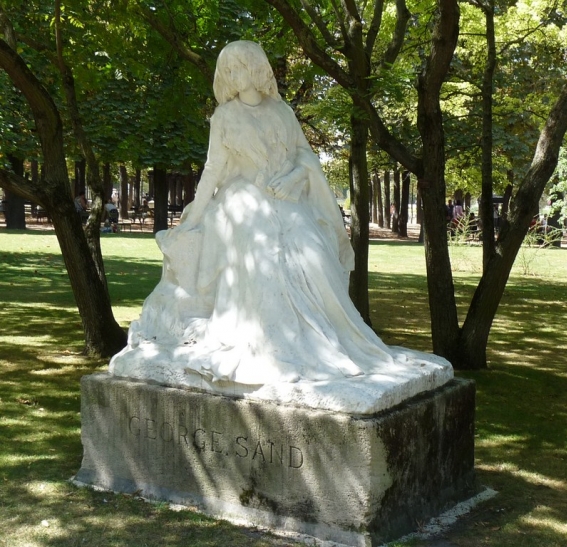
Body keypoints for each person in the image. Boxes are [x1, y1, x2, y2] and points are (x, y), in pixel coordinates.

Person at [110, 41, 451, 407]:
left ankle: (324, 340)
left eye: (242, 66)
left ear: (258, 69)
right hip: (240, 198)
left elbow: (304, 156)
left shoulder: (282, 112)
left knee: (312, 250)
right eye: (229, 70)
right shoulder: (224, 117)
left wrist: (294, 178)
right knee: (259, 244)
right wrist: (192, 215)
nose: (235, 75)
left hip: (284, 196)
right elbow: (213, 170)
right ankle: (264, 340)